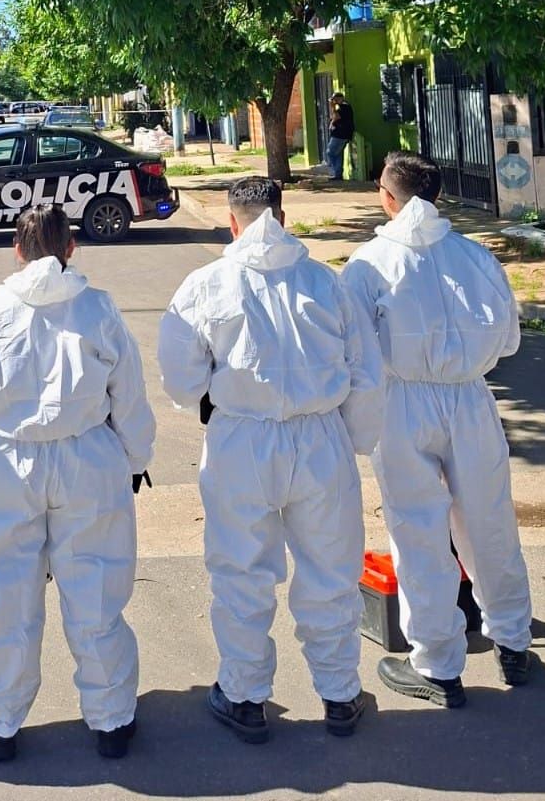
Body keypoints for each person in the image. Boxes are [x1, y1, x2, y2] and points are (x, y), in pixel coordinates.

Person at [157, 177, 384, 743]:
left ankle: (244, 695)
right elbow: (366, 372)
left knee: (240, 570)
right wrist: (352, 439)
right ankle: (338, 692)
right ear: (282, 215)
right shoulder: (325, 282)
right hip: (320, 437)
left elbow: (180, 377)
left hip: (241, 440)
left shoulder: (205, 284)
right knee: (331, 569)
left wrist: (213, 403)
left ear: (233, 222)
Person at [0, 204, 155, 762]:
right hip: (87, 456)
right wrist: (136, 457)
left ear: (17, 252)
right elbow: (129, 392)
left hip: (8, 459)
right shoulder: (97, 308)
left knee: (2, 595)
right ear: (71, 249)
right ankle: (111, 719)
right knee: (96, 588)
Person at [342, 152, 532, 708]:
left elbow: (355, 350)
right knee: (488, 521)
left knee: (417, 530)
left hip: (401, 402)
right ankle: (513, 643)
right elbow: (509, 340)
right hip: (470, 399)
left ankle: (438, 665)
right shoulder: (476, 257)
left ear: (388, 196)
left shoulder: (369, 262)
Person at [325, 92, 354, 181]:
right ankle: (338, 174)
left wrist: (332, 107)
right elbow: (334, 117)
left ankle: (335, 171)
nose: (334, 101)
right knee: (338, 154)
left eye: (335, 99)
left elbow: (337, 116)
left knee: (330, 152)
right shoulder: (341, 107)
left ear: (340, 98)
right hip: (339, 133)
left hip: (341, 134)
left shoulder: (345, 106)